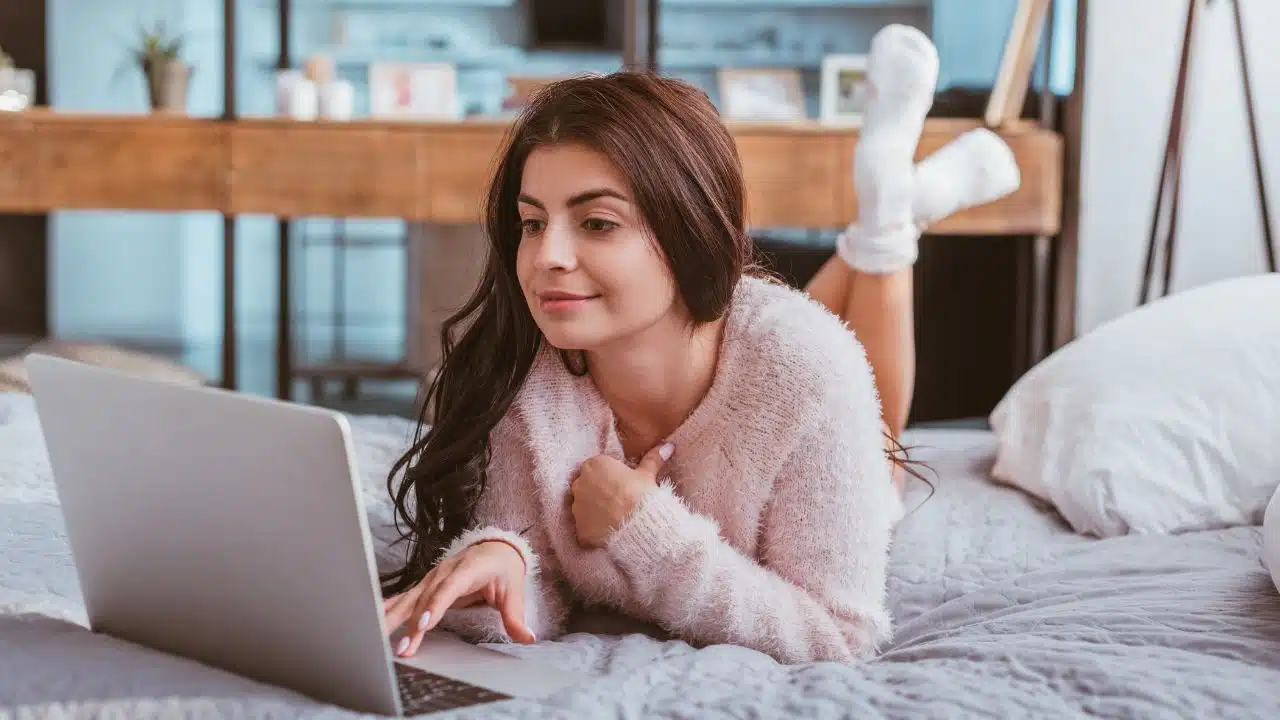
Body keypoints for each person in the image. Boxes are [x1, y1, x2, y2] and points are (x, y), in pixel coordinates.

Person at [381, 25, 1020, 665]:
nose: (546, 258)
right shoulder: (528, 371)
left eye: (597, 223)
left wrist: (646, 530)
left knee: (883, 450)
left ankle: (885, 224)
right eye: (532, 223)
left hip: (801, 375)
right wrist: (503, 561)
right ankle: (891, 214)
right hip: (762, 350)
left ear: (688, 230)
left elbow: (839, 638)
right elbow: (540, 583)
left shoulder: (807, 367)